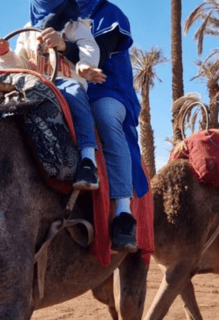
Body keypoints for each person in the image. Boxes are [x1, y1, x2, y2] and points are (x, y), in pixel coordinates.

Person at [0, 0, 106, 191]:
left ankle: (88, 161)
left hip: (63, 82)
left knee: (75, 92)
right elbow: (21, 68)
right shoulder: (27, 30)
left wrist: (84, 64)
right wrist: (5, 54)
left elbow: (89, 49)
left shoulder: (75, 25)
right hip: (34, 84)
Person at [65, 0, 150, 252]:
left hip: (109, 90)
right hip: (73, 87)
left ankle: (123, 213)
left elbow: (97, 55)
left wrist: (61, 46)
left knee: (104, 116)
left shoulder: (111, 15)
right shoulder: (63, 15)